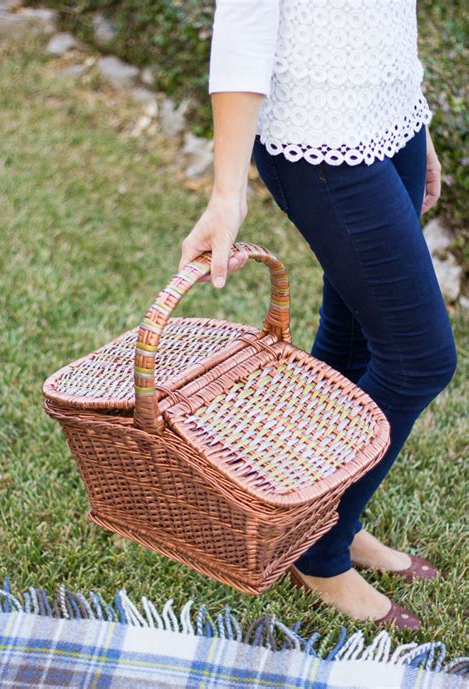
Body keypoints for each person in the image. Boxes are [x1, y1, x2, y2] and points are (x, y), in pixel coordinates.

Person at [178, 0, 457, 630]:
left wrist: (415, 130)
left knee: (356, 333)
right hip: (320, 137)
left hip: (391, 124)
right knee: (419, 358)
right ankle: (317, 551)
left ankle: (327, 517)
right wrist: (227, 193)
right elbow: (243, 30)